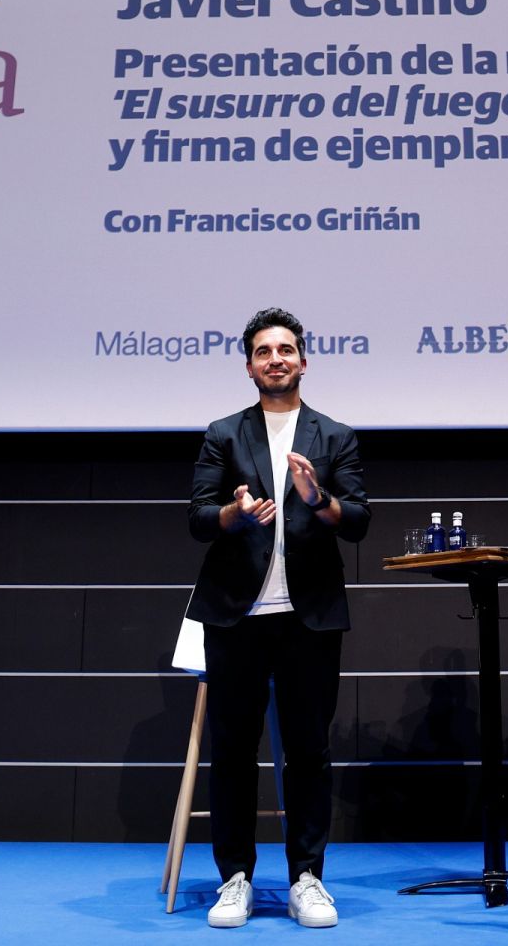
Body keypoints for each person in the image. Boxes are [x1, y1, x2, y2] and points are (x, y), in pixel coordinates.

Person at [187, 307, 371, 929]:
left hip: (308, 617)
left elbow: (359, 520)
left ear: (303, 361)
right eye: (264, 351)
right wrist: (234, 515)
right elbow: (197, 518)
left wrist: (319, 500)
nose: (276, 359)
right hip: (236, 616)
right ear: (249, 366)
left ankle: (306, 878)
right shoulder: (224, 433)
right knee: (233, 752)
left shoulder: (335, 436)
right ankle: (235, 878)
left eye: (286, 349)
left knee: (309, 751)